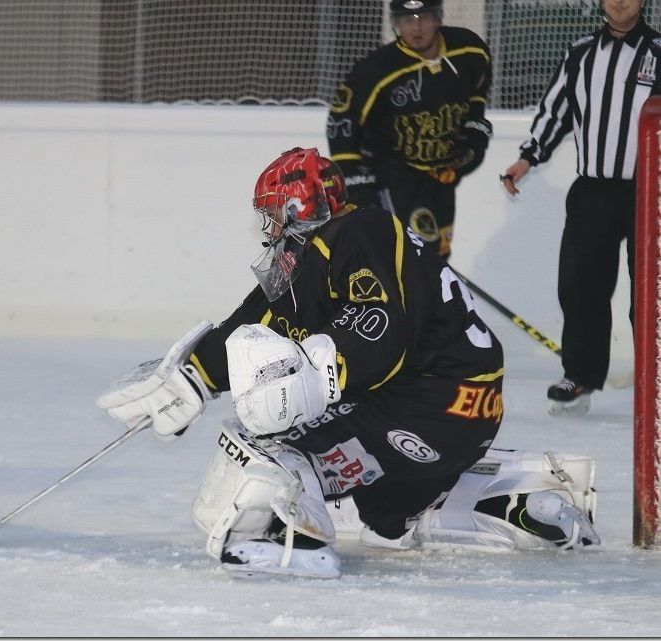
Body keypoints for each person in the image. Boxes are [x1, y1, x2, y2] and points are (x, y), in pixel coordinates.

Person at [97, 147, 599, 579]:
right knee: (384, 519)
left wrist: (317, 370)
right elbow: (258, 320)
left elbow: (378, 327)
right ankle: (506, 502)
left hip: (429, 402)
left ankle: (292, 544)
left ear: (301, 206)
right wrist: (195, 376)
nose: (268, 225)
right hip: (460, 416)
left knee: (268, 447)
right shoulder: (321, 249)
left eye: (274, 212)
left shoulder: (357, 230)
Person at [501, 0, 661, 416]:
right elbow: (557, 110)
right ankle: (580, 378)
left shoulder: (659, 51)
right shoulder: (581, 52)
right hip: (592, 190)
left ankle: (655, 383)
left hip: (651, 190)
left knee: (651, 291)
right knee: (581, 286)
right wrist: (527, 157)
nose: (620, 2)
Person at [326, 0, 492, 258]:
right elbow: (341, 121)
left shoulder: (470, 50)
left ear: (437, 18)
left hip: (442, 173)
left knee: (439, 253)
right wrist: (354, 177)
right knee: (409, 255)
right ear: (396, 23)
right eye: (407, 20)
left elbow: (476, 94)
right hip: (395, 174)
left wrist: (473, 136)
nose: (416, 27)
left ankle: (430, 296)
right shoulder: (377, 70)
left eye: (423, 17)